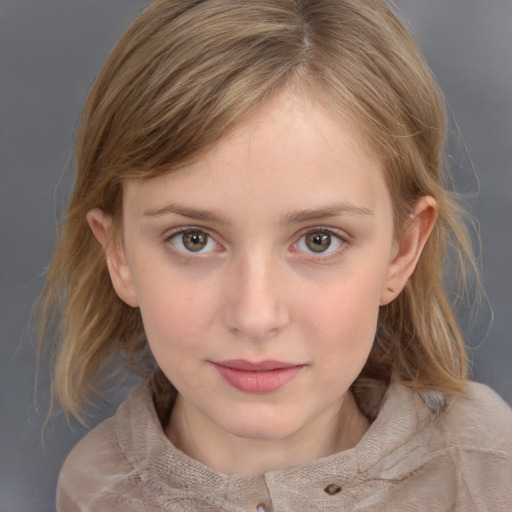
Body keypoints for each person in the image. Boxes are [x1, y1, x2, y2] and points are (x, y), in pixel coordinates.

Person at [37, 0, 511, 510]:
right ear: (120, 255)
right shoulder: (95, 488)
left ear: (401, 250)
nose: (255, 316)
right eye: (193, 239)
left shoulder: (486, 465)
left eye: (319, 240)